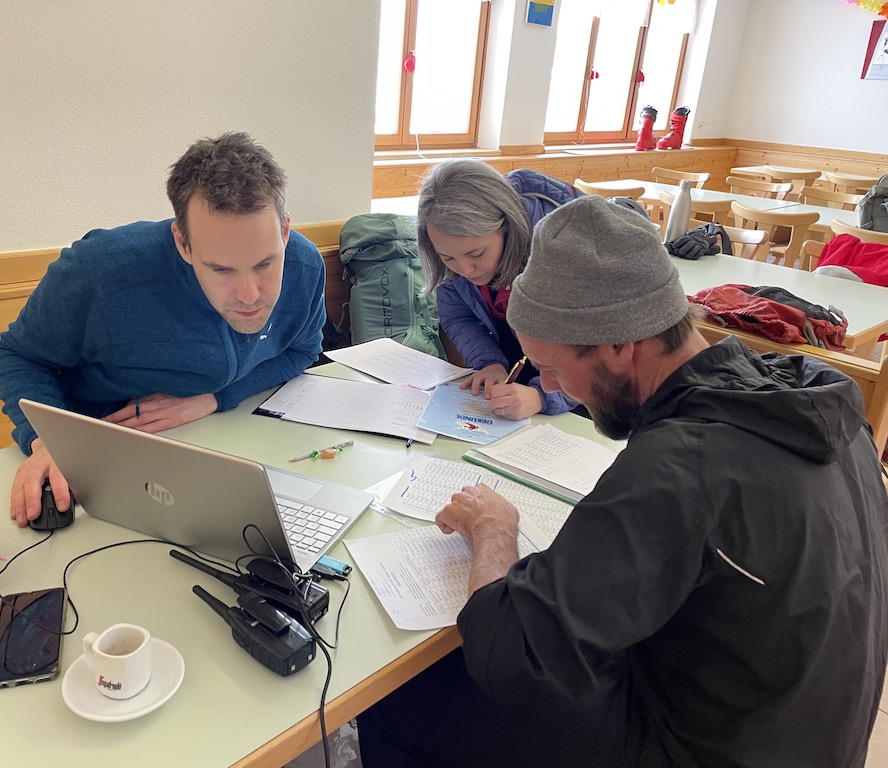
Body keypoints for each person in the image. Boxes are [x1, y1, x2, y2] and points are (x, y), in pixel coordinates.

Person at [358, 196, 888, 767]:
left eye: (554, 368)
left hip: (699, 749)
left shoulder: (679, 468)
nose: (553, 388)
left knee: (405, 696)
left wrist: (493, 533)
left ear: (619, 344)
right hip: (804, 734)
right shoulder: (816, 403)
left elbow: (508, 656)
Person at [0, 132, 326, 527]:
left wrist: (214, 398)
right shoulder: (101, 271)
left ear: (284, 231)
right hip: (98, 465)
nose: (250, 295)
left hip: (220, 450)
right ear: (183, 243)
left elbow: (303, 349)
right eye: (221, 269)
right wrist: (51, 441)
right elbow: (18, 356)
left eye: (265, 264)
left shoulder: (304, 266)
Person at [416, 158, 582, 421]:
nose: (465, 270)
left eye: (476, 254)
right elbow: (459, 317)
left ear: (507, 227)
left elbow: (600, 351)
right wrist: (489, 362)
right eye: (447, 258)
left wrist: (543, 397)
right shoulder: (455, 262)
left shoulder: (564, 252)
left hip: (588, 398)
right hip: (522, 387)